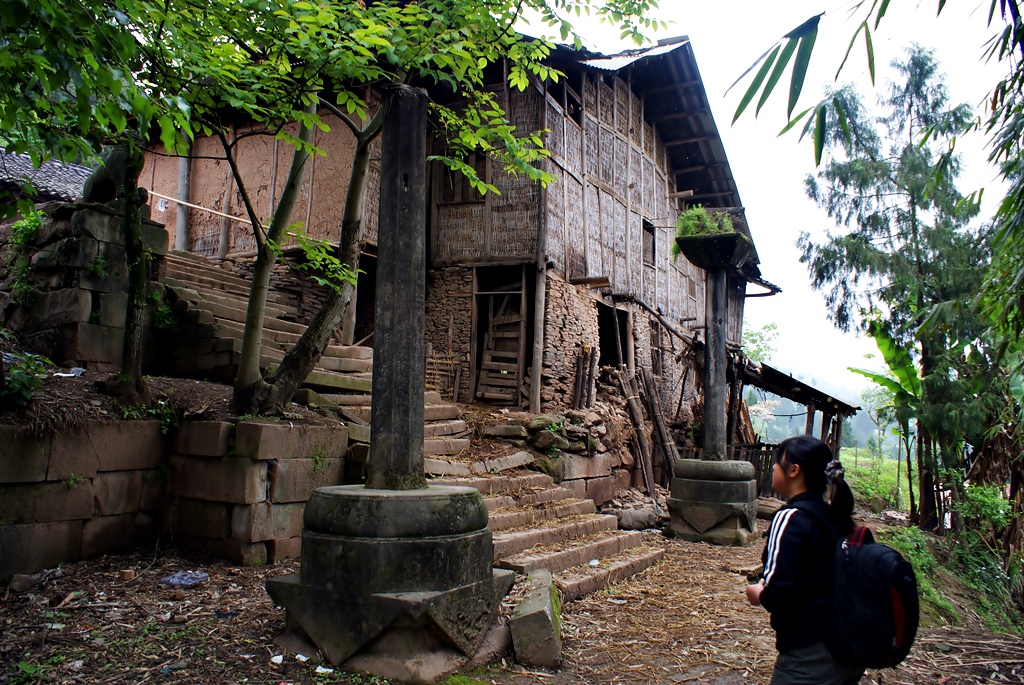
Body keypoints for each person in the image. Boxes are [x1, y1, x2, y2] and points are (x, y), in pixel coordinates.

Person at [745, 435, 864, 685]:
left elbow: (779, 593)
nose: (773, 467)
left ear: (793, 470)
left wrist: (757, 593)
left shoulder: (789, 517)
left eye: (778, 463)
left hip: (809, 653)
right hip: (848, 645)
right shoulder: (834, 516)